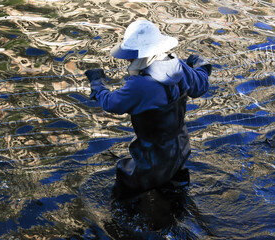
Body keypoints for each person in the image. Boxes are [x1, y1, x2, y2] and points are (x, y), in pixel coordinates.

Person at [85, 19, 211, 200]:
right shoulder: (179, 66)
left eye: (132, 53)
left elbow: (111, 104)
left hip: (153, 160)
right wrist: (203, 68)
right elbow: (200, 86)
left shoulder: (140, 85)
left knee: (124, 197)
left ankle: (121, 227)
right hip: (180, 150)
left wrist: (98, 84)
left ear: (142, 54)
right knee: (176, 196)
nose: (128, 58)